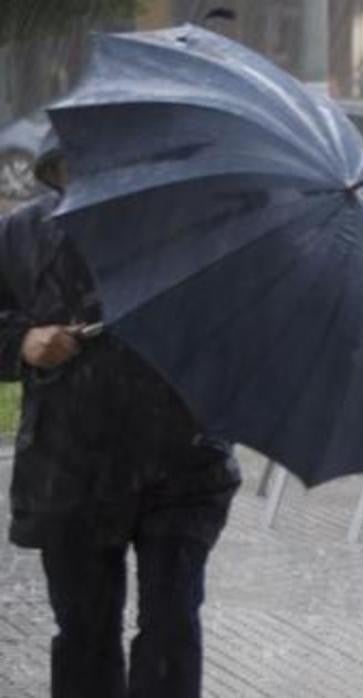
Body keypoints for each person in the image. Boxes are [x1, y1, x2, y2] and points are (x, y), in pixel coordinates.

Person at [0, 133, 241, 698]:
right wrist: (22, 341)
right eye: (74, 171)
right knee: (85, 633)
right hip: (70, 467)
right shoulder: (22, 235)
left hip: (184, 465)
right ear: (56, 171)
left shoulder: (198, 232)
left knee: (171, 626)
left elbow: (245, 332)